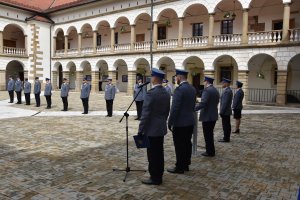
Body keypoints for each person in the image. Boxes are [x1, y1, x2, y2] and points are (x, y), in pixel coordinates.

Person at [138, 68, 170, 185]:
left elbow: (145, 115)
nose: (150, 78)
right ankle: (159, 175)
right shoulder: (166, 93)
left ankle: (154, 177)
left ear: (155, 78)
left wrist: (140, 130)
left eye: (151, 76)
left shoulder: (151, 93)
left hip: (151, 129)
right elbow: (167, 111)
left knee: (152, 155)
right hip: (160, 128)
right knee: (159, 153)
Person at [167, 69, 196, 174]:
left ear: (179, 77)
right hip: (190, 121)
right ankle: (186, 164)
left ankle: (179, 166)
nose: (176, 79)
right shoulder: (192, 88)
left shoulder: (179, 90)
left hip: (180, 122)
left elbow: (175, 108)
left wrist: (170, 122)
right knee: (187, 143)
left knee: (179, 145)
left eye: (176, 77)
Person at [195, 76, 219, 157]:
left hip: (207, 116)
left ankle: (209, 152)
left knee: (207, 134)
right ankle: (211, 150)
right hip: (213, 115)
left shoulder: (207, 90)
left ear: (207, 82)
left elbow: (203, 103)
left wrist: (193, 108)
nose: (204, 83)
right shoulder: (215, 90)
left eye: (204, 81)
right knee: (210, 134)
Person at [219, 78, 233, 143]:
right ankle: (226, 137)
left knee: (226, 125)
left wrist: (221, 112)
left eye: (223, 83)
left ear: (226, 83)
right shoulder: (227, 90)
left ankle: (226, 138)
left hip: (225, 111)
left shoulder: (227, 91)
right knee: (226, 125)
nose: (222, 84)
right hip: (226, 111)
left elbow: (225, 103)